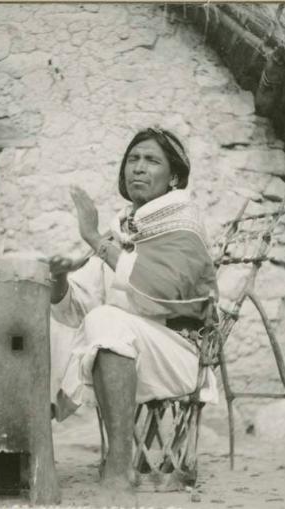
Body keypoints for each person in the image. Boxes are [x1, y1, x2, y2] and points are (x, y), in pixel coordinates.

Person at [48, 127, 218, 503]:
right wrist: (59, 277)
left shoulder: (184, 225)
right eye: (133, 159)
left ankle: (118, 469)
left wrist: (94, 240)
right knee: (51, 314)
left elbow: (163, 291)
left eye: (151, 160)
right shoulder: (123, 227)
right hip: (127, 353)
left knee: (107, 321)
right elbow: (79, 306)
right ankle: (26, 450)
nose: (138, 168)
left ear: (174, 177)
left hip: (180, 355)